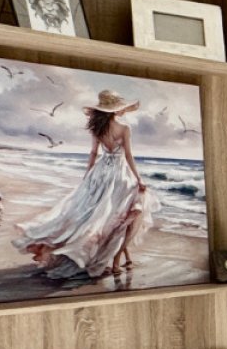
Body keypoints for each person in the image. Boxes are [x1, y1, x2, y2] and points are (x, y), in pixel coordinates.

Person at [15, 90, 153, 279]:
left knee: (106, 218)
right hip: (118, 176)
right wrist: (139, 179)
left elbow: (93, 153)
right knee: (121, 217)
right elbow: (128, 156)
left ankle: (124, 258)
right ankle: (116, 261)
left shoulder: (97, 129)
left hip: (99, 174)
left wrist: (88, 175)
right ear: (115, 109)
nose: (123, 110)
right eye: (120, 107)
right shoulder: (124, 128)